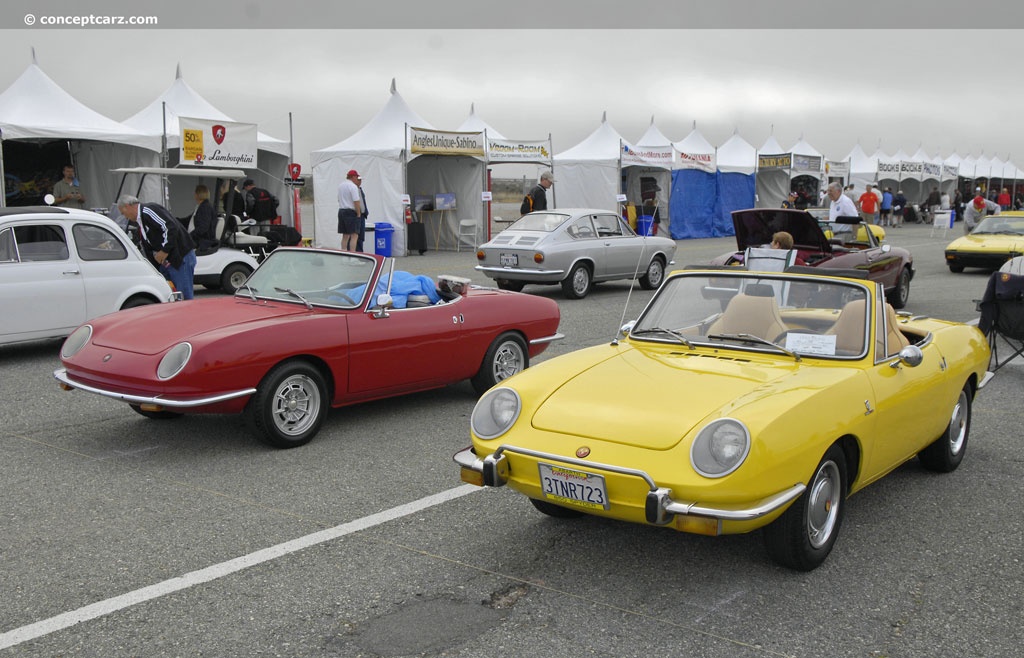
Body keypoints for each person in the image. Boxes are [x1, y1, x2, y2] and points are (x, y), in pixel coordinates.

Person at [117, 194, 197, 299]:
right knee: (171, 295)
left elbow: (170, 227)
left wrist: (164, 250)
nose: (125, 217)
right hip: (167, 262)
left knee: (183, 296)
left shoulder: (148, 210)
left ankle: (187, 314)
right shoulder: (140, 221)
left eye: (123, 213)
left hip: (180, 258)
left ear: (127, 206)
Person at [185, 185, 219, 252]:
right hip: (197, 237)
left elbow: (203, 228)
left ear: (198, 194)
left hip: (202, 240)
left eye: (195, 193)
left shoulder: (205, 208)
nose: (194, 194)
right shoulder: (200, 206)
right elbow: (189, 220)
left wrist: (189, 236)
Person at [337, 169, 363, 251]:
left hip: (341, 211)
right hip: (350, 212)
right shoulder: (353, 186)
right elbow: (356, 201)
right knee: (354, 235)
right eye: (357, 177)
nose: (357, 180)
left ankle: (343, 253)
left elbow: (338, 199)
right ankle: (352, 255)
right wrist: (358, 213)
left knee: (345, 235)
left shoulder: (341, 185)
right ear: (353, 177)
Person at [355, 174, 369, 252]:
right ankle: (357, 252)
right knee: (356, 236)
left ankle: (360, 252)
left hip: (362, 215)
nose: (360, 182)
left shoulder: (360, 189)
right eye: (358, 180)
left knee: (361, 236)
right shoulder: (353, 189)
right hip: (357, 215)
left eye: (360, 180)